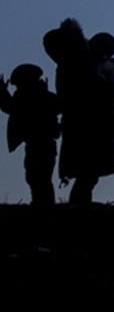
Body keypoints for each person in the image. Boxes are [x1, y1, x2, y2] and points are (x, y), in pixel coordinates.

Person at [44, 18, 114, 205]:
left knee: (86, 170)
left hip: (78, 120)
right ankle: (80, 204)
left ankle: (80, 203)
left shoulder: (67, 63)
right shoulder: (82, 63)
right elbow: (100, 92)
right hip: (92, 121)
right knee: (89, 170)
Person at [0, 64, 61, 206]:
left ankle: (42, 206)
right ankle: (43, 205)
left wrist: (2, 91)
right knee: (40, 178)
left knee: (37, 177)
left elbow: (10, 106)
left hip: (38, 144)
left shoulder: (28, 97)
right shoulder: (46, 96)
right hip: (45, 144)